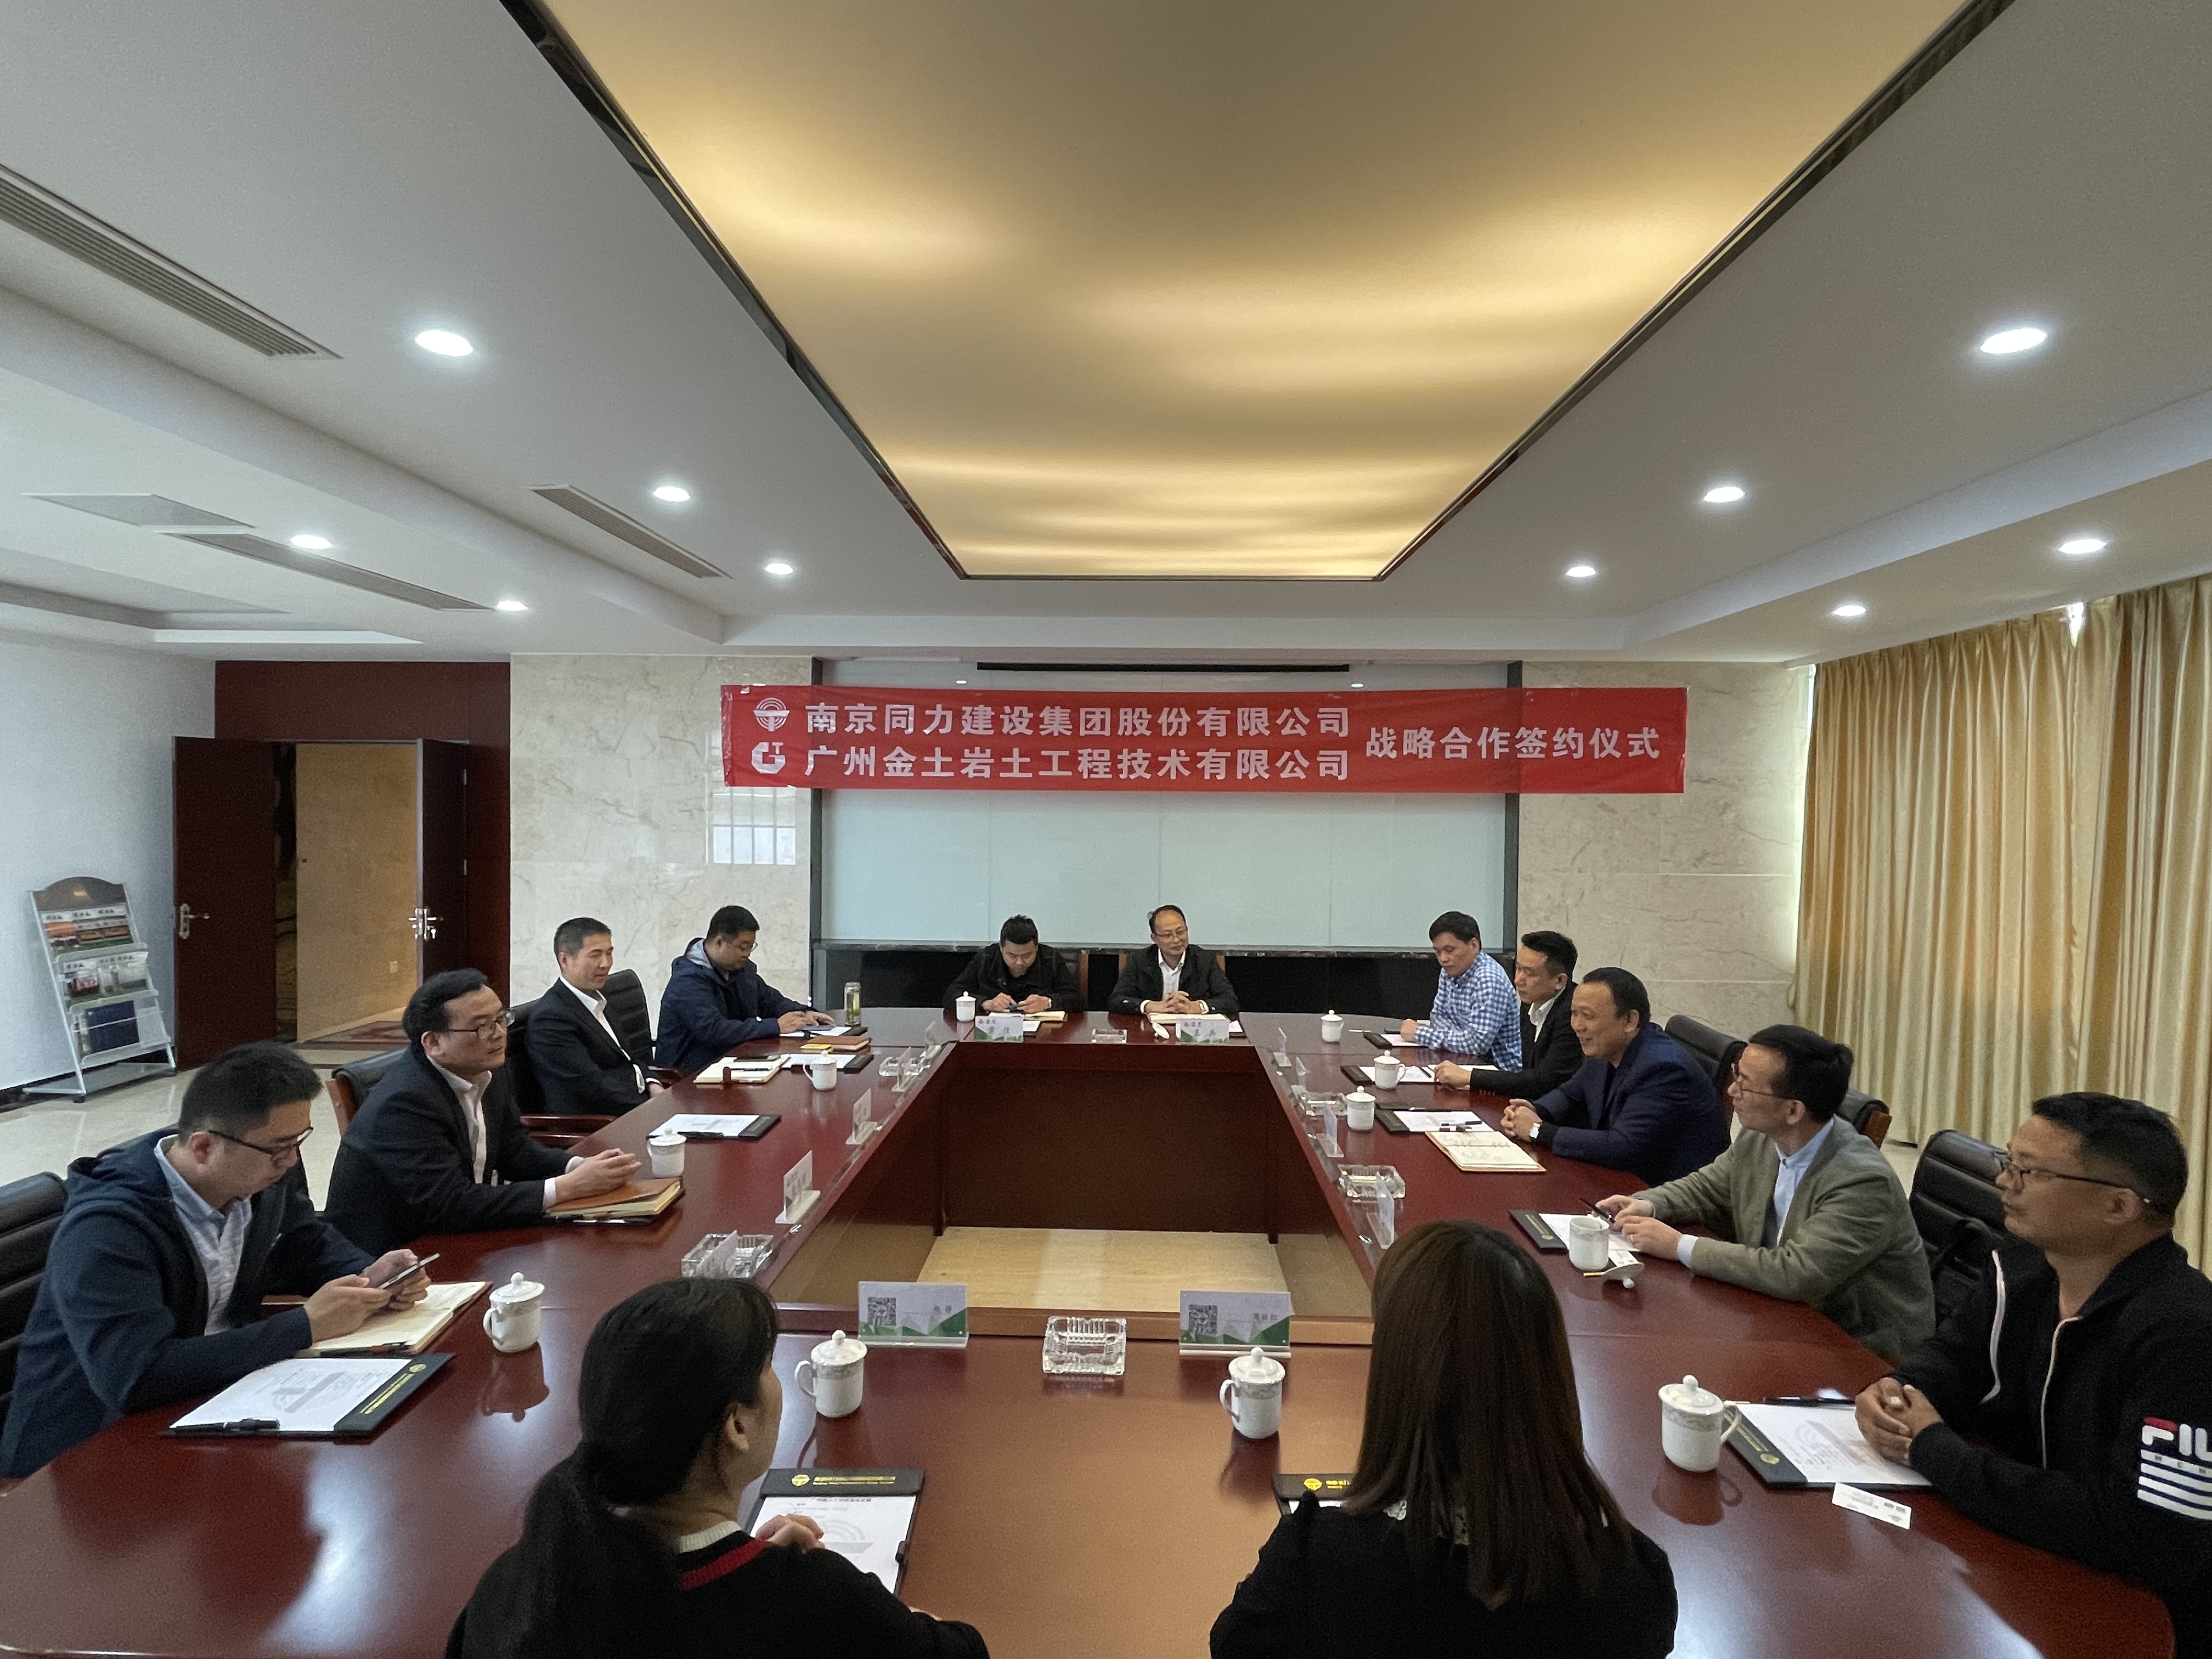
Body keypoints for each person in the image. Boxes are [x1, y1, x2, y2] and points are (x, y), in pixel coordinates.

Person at [447, 1276, 988, 1658]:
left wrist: (753, 1564)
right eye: (768, 1366)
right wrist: (897, 1618)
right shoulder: (818, 1601)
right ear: (736, 1426)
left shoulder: (518, 1584)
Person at [1211, 1220, 1675, 1658]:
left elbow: (1234, 1645)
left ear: (1399, 1383)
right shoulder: (1634, 1587)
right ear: (1548, 1381)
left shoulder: (1313, 1565)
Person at [1855, 1093, 2212, 1657]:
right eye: (2010, 1161)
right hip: (2021, 1559)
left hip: (2138, 1617)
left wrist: (1936, 1451)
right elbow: (1954, 1356)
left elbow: (2151, 1534)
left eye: (2032, 1172)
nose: (2005, 1182)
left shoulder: (2185, 1333)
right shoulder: (2022, 1265)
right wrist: (1901, 1393)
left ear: (2119, 1206)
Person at [1, 1043, 427, 1478]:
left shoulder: (255, 1174)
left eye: (299, 1142)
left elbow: (307, 1242)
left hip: (219, 1395)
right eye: (279, 1149)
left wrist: (368, 1274)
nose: (291, 1161)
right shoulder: (108, 1228)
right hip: (86, 1451)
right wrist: (305, 1325)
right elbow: (136, 1377)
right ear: (204, 1147)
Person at [1596, 1024, 1934, 1357]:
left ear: (1793, 1110)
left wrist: (1679, 1245)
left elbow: (1796, 1272)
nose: (1732, 1090)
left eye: (1745, 1084)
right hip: (1779, 1314)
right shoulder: (1762, 1136)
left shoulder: (1862, 1182)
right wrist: (1648, 1204)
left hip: (1859, 1348)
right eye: (1736, 1074)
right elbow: (1708, 1187)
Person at [326, 969, 639, 1255]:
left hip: (462, 1230)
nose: (498, 1034)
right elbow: (451, 1203)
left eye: (501, 1019)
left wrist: (577, 1166)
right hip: (397, 1255)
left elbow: (514, 1151)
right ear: (433, 1042)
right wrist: (568, 1187)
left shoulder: (487, 1069)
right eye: (481, 1027)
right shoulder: (404, 1104)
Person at [1498, 968, 1726, 1184]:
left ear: (1630, 1021)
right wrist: (1535, 1110)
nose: (1577, 1025)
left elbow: (1622, 1146)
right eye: (1574, 1013)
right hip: (1621, 1181)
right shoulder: (1606, 1047)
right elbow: (1571, 1093)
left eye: (1588, 1016)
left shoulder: (1663, 1069)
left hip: (1662, 1194)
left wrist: (1538, 1130)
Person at [654, 906, 830, 1076]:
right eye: (742, 947)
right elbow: (714, 1030)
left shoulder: (740, 970)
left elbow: (770, 1001)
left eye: (751, 948)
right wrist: (775, 1026)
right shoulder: (687, 980)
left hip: (730, 1062)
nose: (747, 954)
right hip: (688, 1074)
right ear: (719, 942)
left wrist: (804, 1013)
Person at [529, 917, 662, 1116]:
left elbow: (628, 1058)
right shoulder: (551, 1019)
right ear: (565, 960)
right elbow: (592, 1088)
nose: (606, 964)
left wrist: (653, 1083)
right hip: (600, 1123)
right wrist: (652, 1109)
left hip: (636, 1105)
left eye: (609, 953)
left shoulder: (601, 998)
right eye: (595, 955)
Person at [1435, 930, 1580, 1099]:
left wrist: (1470, 1077)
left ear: (1560, 981)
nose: (1518, 980)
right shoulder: (1531, 1003)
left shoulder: (1573, 1016)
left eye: (1530, 973)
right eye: (1519, 969)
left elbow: (1543, 1081)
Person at [1398, 912, 1520, 1065]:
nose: (1443, 959)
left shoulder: (1489, 980)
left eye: (1450, 950)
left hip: (1496, 1071)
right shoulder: (1448, 972)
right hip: (1460, 1061)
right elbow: (1438, 1016)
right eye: (1438, 952)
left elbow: (1476, 1044)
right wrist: (1460, 1037)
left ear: (1474, 945)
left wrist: (1419, 1034)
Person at [1108, 904, 1240, 1018]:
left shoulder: (1205, 960)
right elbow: (1116, 1000)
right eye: (1167, 935)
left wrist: (1198, 1007)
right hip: (1150, 1031)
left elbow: (1230, 1001)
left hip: (1191, 1032)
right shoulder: (1139, 960)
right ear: (1154, 939)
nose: (1176, 940)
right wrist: (1149, 1006)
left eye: (1181, 932)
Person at [944, 915, 1080, 1014]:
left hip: (1043, 1034)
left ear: (1036, 947)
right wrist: (986, 1004)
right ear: (1001, 948)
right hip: (995, 1035)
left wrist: (1048, 1002)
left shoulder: (1051, 959)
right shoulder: (986, 958)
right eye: (1012, 955)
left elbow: (1077, 999)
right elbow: (951, 995)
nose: (1019, 962)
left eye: (1027, 955)